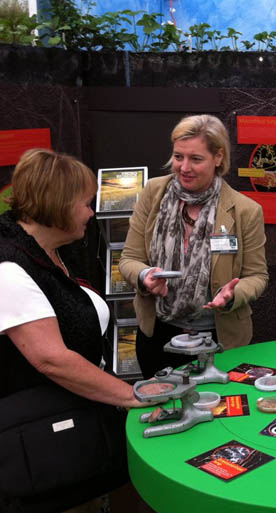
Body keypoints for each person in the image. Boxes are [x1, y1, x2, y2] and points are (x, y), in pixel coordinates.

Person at [0, 148, 145, 511]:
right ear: (58, 204)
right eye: (85, 203)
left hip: (80, 425)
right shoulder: (9, 266)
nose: (92, 213)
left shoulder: (51, 250)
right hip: (42, 446)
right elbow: (52, 360)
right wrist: (133, 397)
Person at [120, 114, 268, 379]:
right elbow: (130, 258)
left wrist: (232, 296)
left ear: (218, 158)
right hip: (159, 335)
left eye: (196, 159)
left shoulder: (245, 211)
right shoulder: (153, 194)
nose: (184, 167)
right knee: (162, 410)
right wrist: (145, 276)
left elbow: (257, 276)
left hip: (219, 339)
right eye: (178, 157)